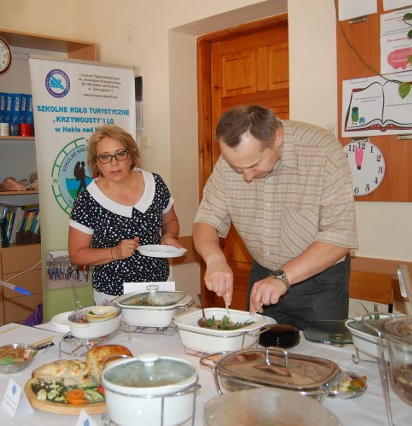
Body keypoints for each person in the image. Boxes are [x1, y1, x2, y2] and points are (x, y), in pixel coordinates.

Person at [193, 105, 358, 329]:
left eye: (253, 165)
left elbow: (339, 237)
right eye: (237, 168)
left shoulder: (322, 151)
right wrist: (214, 259)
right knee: (260, 357)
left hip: (319, 281)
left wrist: (283, 278)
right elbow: (206, 219)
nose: (247, 176)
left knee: (319, 359)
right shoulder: (233, 157)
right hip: (263, 274)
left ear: (277, 138)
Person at [68, 124, 183, 305]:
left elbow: (171, 221)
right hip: (113, 294)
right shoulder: (88, 200)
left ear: (131, 156)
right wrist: (115, 252)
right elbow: (76, 255)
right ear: (96, 163)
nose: (114, 162)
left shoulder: (155, 183)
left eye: (120, 154)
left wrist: (168, 236)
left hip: (158, 288)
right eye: (105, 156)